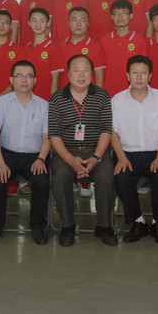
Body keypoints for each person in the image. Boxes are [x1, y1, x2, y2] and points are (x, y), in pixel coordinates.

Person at [48, 54, 117, 246]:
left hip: (96, 152)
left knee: (106, 176)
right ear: (68, 74)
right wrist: (71, 160)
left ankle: (104, 226)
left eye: (85, 70)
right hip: (66, 153)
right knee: (61, 177)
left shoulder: (102, 96)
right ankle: (67, 226)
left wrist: (96, 157)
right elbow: (54, 135)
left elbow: (106, 130)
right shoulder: (57, 98)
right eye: (76, 70)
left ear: (92, 74)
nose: (81, 75)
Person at [0, 60, 52, 246]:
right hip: (7, 154)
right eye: (19, 76)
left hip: (34, 156)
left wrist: (41, 159)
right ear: (11, 80)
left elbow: (47, 137)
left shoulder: (44, 105)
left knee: (42, 182)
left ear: (35, 80)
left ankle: (38, 226)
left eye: (29, 76)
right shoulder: (2, 103)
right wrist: (0, 163)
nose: (24, 80)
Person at [110, 56, 158, 245]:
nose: (139, 77)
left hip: (155, 153)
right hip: (127, 154)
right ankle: (138, 221)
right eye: (134, 73)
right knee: (121, 178)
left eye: (143, 73)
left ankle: (157, 223)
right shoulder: (117, 100)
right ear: (127, 75)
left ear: (150, 76)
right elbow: (113, 133)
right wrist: (121, 157)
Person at [100, 0, 148, 97]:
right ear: (112, 17)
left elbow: (143, 69)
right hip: (107, 93)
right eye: (116, 13)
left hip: (131, 94)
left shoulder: (140, 41)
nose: (120, 17)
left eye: (124, 13)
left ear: (131, 16)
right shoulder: (104, 40)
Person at [57, 6, 106, 88]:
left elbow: (99, 78)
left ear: (88, 24)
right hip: (64, 94)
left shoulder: (96, 47)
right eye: (74, 20)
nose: (78, 24)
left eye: (82, 20)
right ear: (68, 23)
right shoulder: (58, 46)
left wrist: (97, 96)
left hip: (88, 94)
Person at [24, 7, 63, 100]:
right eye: (34, 21)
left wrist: (52, 103)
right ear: (29, 23)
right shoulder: (25, 48)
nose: (38, 24)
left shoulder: (54, 49)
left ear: (48, 23)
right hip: (25, 101)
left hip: (45, 101)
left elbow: (55, 80)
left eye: (42, 21)